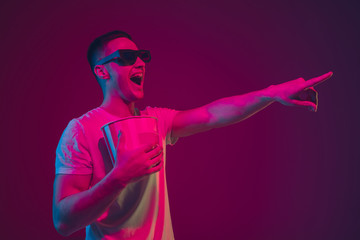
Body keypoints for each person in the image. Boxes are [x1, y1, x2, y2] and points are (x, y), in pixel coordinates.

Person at [52, 30, 332, 240]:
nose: (139, 63)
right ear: (101, 71)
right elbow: (63, 220)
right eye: (126, 58)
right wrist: (119, 176)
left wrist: (272, 94)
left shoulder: (156, 121)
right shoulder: (80, 130)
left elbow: (215, 113)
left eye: (142, 56)